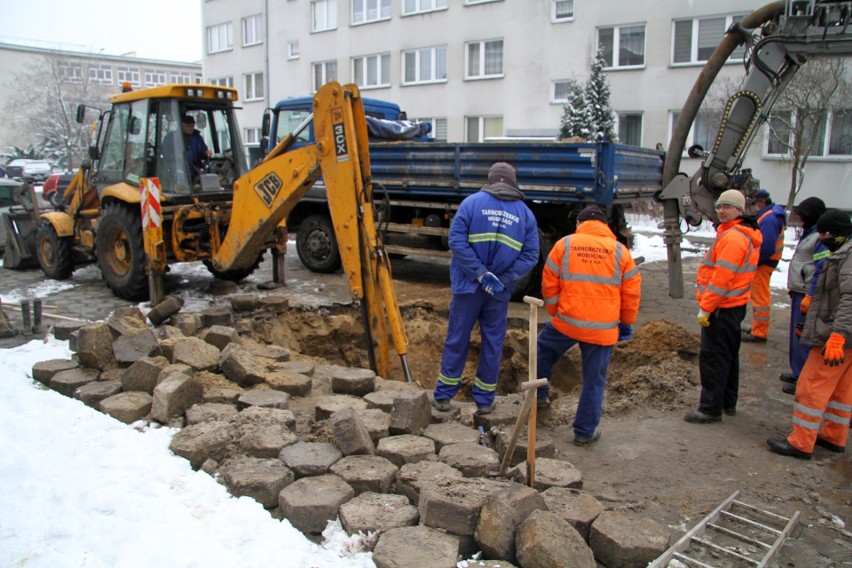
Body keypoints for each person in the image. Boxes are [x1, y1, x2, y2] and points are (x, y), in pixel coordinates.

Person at [433, 162, 539, 415]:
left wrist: (480, 273)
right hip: (498, 292)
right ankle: (484, 400)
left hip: (468, 287)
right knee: (492, 343)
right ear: (513, 182)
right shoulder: (525, 214)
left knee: (458, 338)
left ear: (490, 180)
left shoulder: (471, 203)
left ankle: (444, 396)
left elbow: (456, 241)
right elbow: (531, 254)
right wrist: (502, 277)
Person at [534, 205, 641, 445]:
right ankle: (584, 432)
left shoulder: (565, 245)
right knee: (594, 382)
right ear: (605, 226)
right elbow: (631, 294)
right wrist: (626, 324)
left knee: (541, 352)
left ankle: (539, 395)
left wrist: (555, 311)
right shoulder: (621, 252)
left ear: (580, 224)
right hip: (603, 329)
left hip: (567, 323)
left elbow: (549, 282)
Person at [767, 209, 852, 459]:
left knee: (811, 385)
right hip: (845, 336)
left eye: (825, 233)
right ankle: (834, 436)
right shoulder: (844, 250)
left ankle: (801, 442)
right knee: (842, 389)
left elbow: (849, 298)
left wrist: (838, 335)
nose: (822, 238)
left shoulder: (848, 256)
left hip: (836, 336)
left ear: (836, 233)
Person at [685, 189, 762, 423]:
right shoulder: (737, 233)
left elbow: (721, 279)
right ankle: (727, 402)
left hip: (722, 308)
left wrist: (706, 307)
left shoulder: (733, 238)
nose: (721, 211)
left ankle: (709, 409)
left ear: (739, 210)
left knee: (713, 359)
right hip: (731, 307)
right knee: (728, 356)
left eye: (727, 207)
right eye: (719, 207)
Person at [781, 197, 828, 395]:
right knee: (795, 335)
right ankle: (797, 370)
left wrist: (810, 293)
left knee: (803, 335)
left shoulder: (819, 237)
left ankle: (803, 375)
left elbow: (820, 267)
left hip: (807, 292)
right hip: (799, 289)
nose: (799, 219)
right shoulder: (810, 232)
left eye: (803, 215)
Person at [742, 189, 787, 342]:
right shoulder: (772, 215)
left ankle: (759, 332)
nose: (754, 206)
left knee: (759, 298)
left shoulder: (769, 219)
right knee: (759, 296)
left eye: (755, 203)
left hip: (763, 263)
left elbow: (766, 246)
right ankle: (757, 327)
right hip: (766, 262)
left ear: (762, 201)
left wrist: (755, 262)